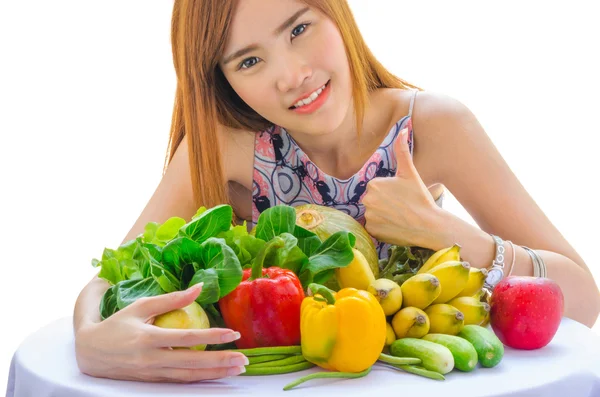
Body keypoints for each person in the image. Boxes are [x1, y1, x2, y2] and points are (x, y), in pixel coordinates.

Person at [73, 0, 600, 384]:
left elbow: (582, 299)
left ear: (336, 12)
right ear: (220, 80)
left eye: (300, 28)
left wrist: (451, 234)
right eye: (249, 61)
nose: (293, 75)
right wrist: (89, 340)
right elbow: (112, 277)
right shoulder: (228, 145)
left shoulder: (431, 126)